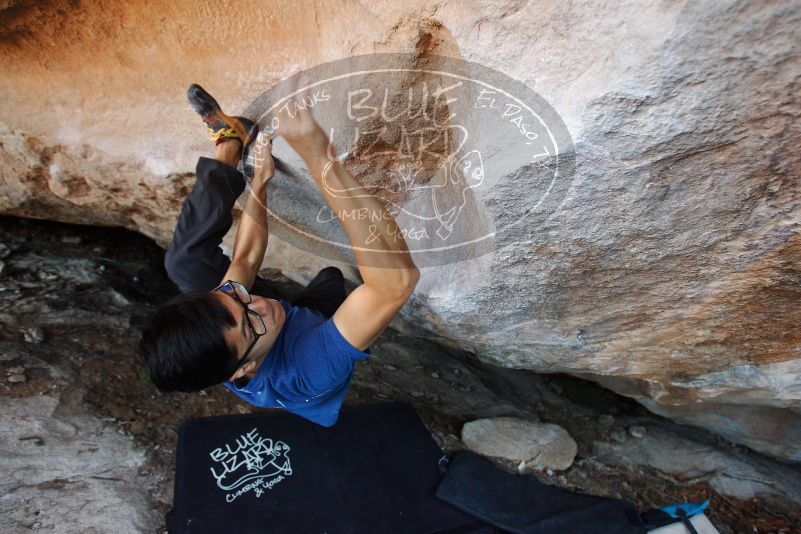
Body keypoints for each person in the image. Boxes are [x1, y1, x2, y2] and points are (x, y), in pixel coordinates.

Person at [138, 70, 419, 427]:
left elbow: (245, 259)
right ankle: (321, 299)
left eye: (237, 296)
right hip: (309, 330)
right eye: (248, 320)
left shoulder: (233, 323)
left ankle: (231, 141)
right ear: (247, 367)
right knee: (335, 280)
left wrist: (260, 182)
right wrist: (319, 157)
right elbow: (396, 283)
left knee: (184, 265)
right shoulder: (309, 368)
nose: (259, 303)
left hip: (276, 336)